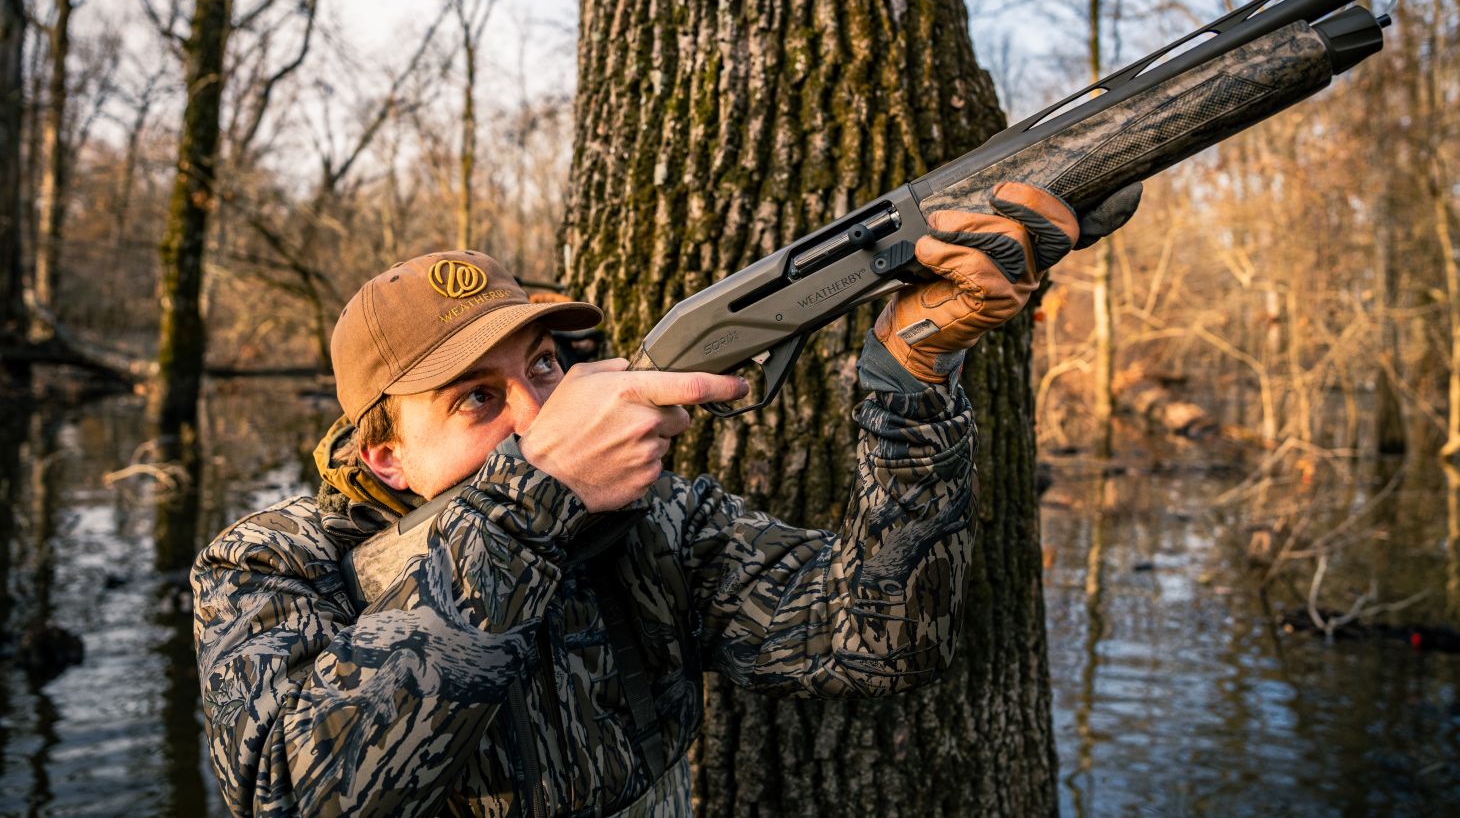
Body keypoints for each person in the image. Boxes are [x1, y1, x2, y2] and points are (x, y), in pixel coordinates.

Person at [191, 181, 1137, 817]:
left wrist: (911, 382)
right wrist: (533, 502)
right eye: (478, 398)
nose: (537, 411)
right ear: (386, 455)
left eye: (548, 365)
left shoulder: (656, 522)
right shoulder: (270, 563)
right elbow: (287, 792)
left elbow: (879, 640)